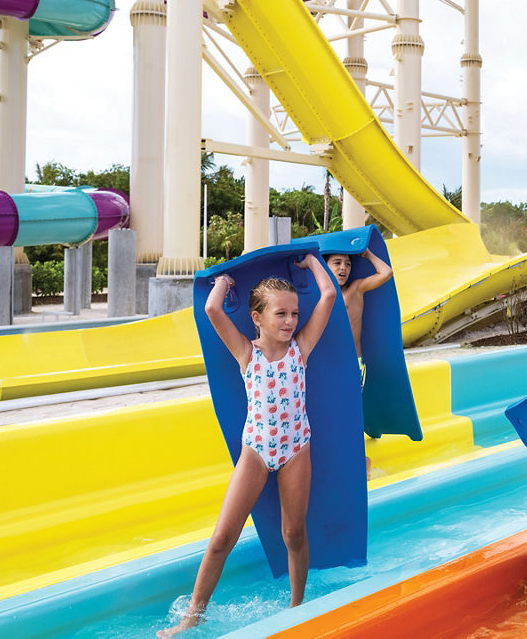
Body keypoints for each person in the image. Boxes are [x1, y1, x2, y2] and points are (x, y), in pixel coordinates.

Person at [158, 255, 338, 637]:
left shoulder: (300, 350)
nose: (290, 321)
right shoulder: (247, 354)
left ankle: (296, 606)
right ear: (257, 317)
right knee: (223, 537)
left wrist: (311, 262)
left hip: (295, 448)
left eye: (293, 313)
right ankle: (192, 615)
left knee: (294, 534)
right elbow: (211, 307)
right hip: (256, 449)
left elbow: (327, 296)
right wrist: (224, 280)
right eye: (281, 314)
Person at [324, 248, 394, 478]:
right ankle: (340, 461)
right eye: (337, 263)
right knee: (332, 413)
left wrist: (368, 254)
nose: (343, 268)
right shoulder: (320, 296)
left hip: (353, 363)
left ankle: (362, 462)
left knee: (350, 412)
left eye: (347, 264)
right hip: (328, 365)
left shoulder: (355, 289)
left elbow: (386, 273)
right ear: (326, 266)